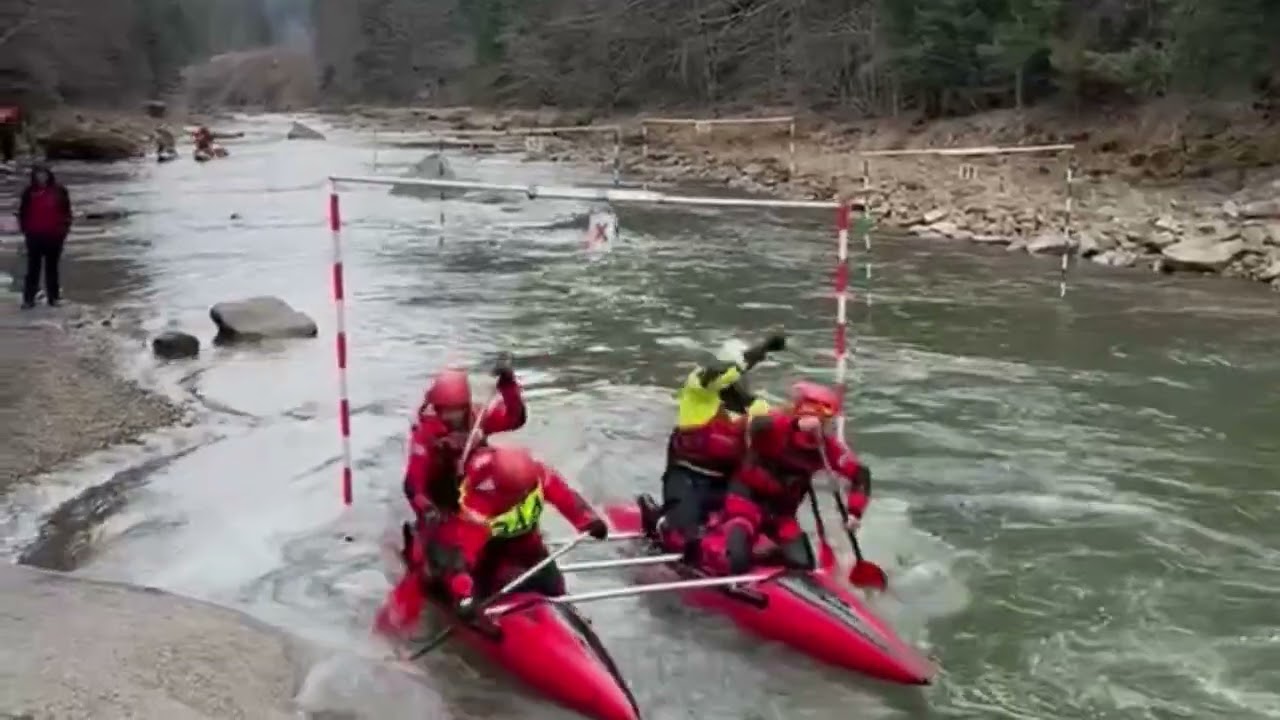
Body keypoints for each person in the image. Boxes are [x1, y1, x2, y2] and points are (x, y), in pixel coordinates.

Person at [412, 445, 607, 619]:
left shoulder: (538, 475)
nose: (522, 497)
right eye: (516, 494)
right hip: (489, 554)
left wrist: (589, 520)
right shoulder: (479, 503)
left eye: (525, 492)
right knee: (486, 588)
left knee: (553, 582)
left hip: (527, 544)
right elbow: (462, 551)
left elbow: (565, 497)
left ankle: (568, 617)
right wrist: (463, 594)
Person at [702, 380, 872, 574]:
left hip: (782, 514)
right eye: (824, 420)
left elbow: (860, 475)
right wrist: (795, 424)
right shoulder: (777, 424)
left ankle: (766, 552)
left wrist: (855, 512)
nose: (826, 426)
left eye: (829, 421)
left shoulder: (827, 448)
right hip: (746, 501)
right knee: (738, 558)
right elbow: (754, 425)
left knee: (803, 564)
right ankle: (712, 539)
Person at [653, 333, 785, 559]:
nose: (738, 383)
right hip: (688, 476)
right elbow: (716, 375)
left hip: (729, 482)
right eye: (735, 376)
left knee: (760, 525)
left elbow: (784, 430)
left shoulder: (758, 408)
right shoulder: (698, 389)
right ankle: (662, 522)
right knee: (684, 535)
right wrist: (761, 349)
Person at [403, 355, 526, 521]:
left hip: (475, 488)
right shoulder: (425, 434)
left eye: (457, 410)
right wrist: (427, 509)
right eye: (445, 410)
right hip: (441, 495)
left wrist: (508, 385)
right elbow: (414, 483)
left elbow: (515, 419)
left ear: (466, 406)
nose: (451, 416)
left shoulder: (478, 419)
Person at [16, 164, 72, 309]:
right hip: (34, 235)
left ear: (49, 175)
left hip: (54, 236)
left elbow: (67, 212)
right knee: (33, 269)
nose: (41, 177)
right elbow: (22, 213)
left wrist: (63, 231)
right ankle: (29, 299)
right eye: (38, 174)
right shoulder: (29, 192)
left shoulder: (59, 191)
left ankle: (53, 298)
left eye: (44, 174)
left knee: (52, 269)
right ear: (34, 176)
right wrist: (25, 231)